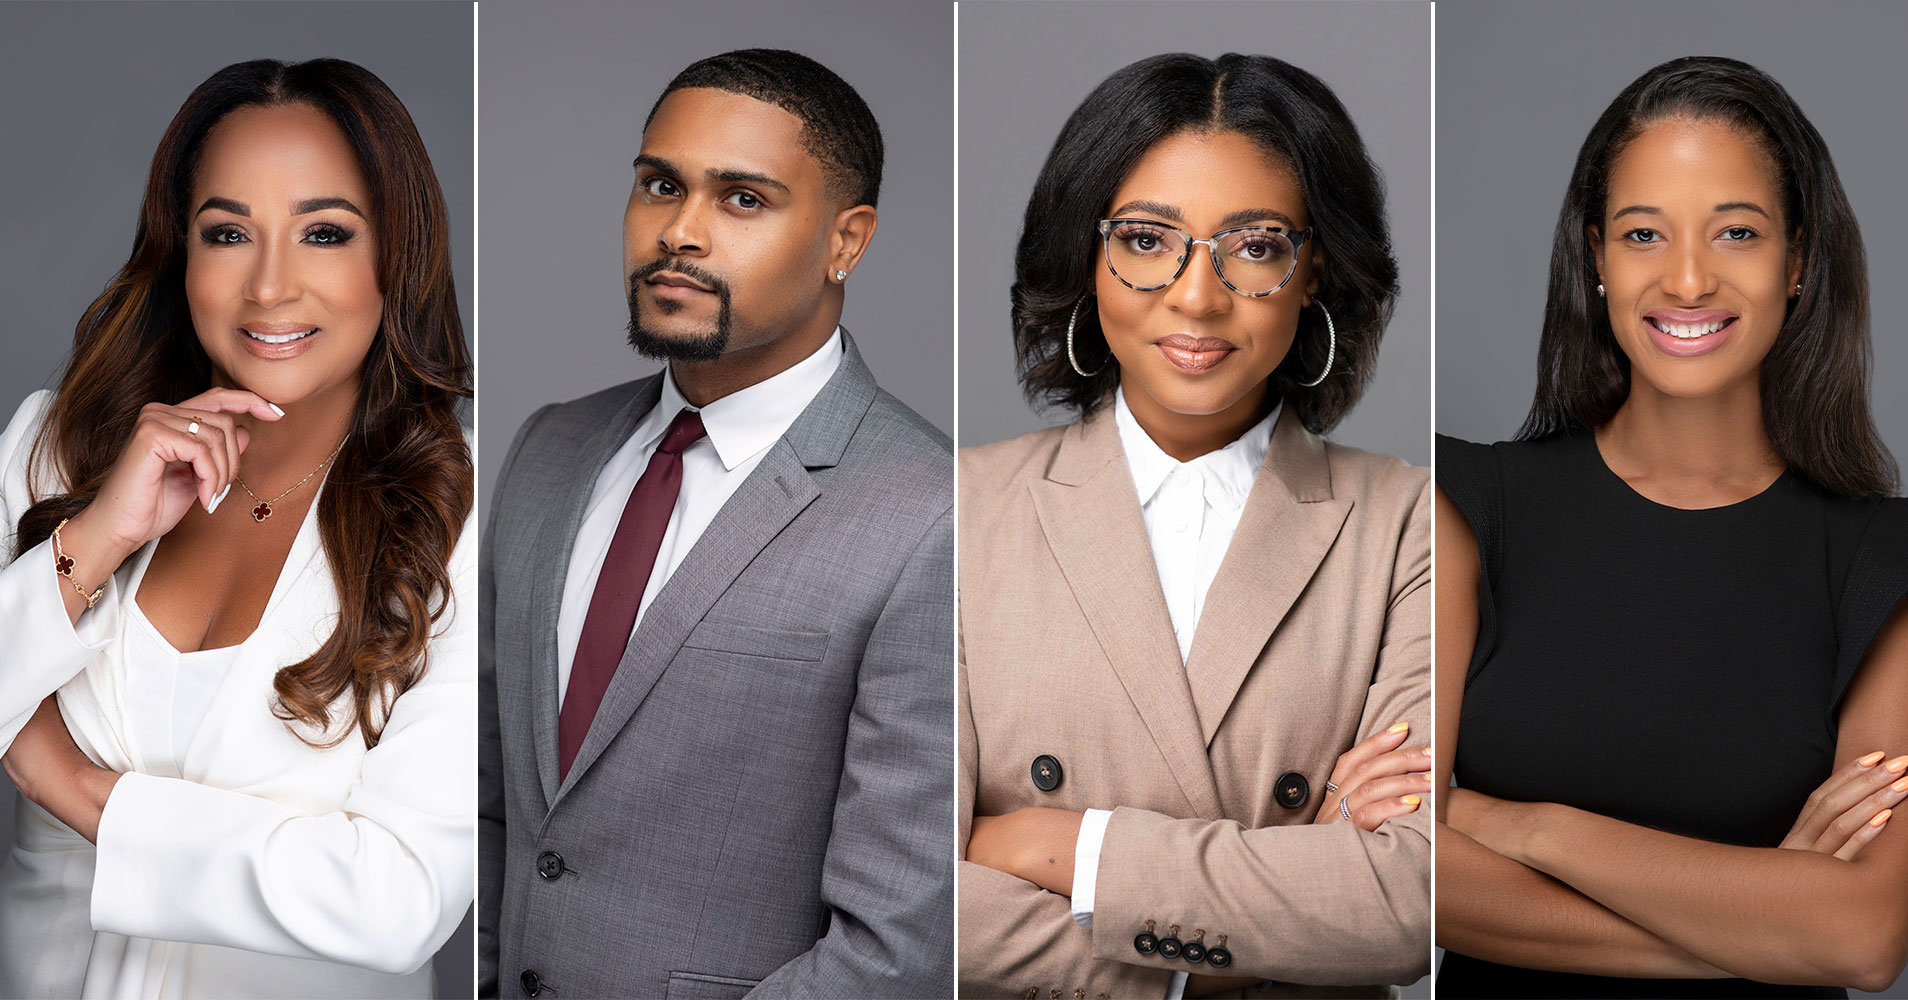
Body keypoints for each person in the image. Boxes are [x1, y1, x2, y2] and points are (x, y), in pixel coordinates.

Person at [477, 48, 953, 1000]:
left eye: (742, 199)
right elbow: (489, 807)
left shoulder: (935, 514)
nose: (679, 232)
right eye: (661, 185)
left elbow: (899, 946)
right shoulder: (549, 451)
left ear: (845, 240)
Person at [958, 53, 1431, 999]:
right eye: (1145, 239)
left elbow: (1410, 900)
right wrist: (1220, 962)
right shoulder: (960, 510)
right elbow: (911, 892)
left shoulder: (1409, 522)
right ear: (1087, 257)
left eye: (1254, 247)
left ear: (1315, 272)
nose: (1197, 296)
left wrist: (1053, 842)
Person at [1435, 56, 1908, 997]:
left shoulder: (1882, 561)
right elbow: (1389, 862)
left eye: (1737, 231)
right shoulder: (1464, 505)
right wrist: (1764, 914)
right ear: (1597, 258)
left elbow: (1861, 935)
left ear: (1800, 260)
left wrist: (1529, 828)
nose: (1688, 280)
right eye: (1644, 233)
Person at [0, 58, 474, 997]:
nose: (269, 287)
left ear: (396, 258)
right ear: (182, 254)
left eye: (324, 233)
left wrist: (73, 788)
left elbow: (402, 900)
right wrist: (95, 537)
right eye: (228, 233)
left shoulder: (460, 509)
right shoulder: (54, 445)